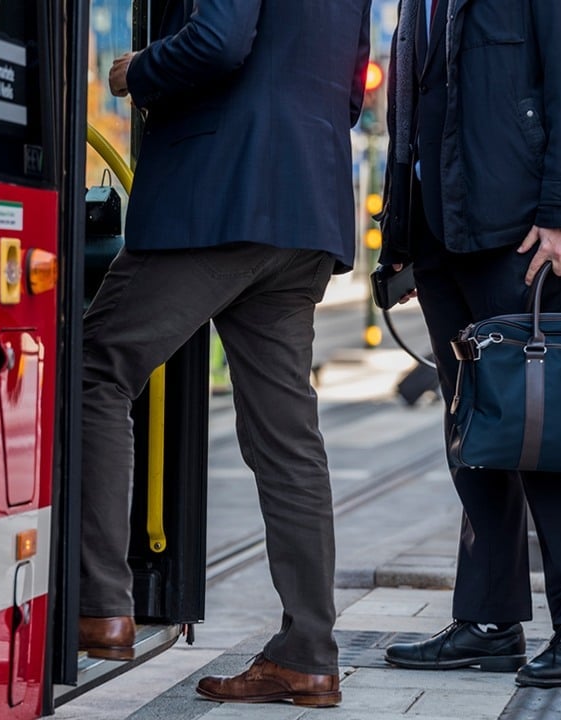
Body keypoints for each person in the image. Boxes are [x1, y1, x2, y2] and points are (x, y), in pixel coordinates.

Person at [76, 0, 371, 707]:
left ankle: (101, 606)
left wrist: (136, 72)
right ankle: (308, 657)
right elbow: (352, 93)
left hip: (218, 194)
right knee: (287, 439)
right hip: (305, 207)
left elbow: (218, 41)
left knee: (95, 371)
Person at [376, 0, 561, 688]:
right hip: (438, 233)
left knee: (546, 435)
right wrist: (400, 238)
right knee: (471, 434)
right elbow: (410, 111)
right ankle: (489, 620)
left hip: (520, 235)